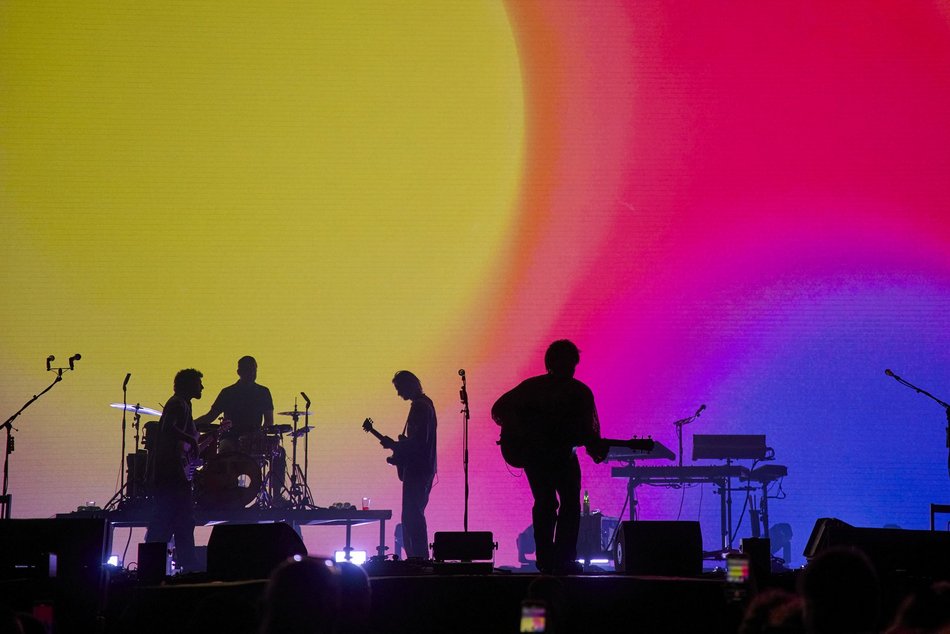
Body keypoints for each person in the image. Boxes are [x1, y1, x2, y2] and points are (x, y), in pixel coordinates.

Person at [492, 340, 605, 574]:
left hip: (539, 458)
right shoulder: (579, 392)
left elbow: (500, 409)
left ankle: (546, 559)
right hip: (559, 458)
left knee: (547, 503)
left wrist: (525, 434)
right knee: (567, 504)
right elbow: (589, 433)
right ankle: (562, 559)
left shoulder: (533, 387)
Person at [195, 356, 283, 500]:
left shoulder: (263, 392)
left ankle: (277, 497)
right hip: (229, 437)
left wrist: (259, 435)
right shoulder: (227, 392)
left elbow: (269, 422)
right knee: (225, 451)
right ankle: (222, 492)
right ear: (239, 372)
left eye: (254, 369)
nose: (252, 372)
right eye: (249, 369)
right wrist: (190, 424)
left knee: (279, 452)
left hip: (254, 438)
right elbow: (210, 416)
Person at [144, 368, 204, 573]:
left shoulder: (182, 404)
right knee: (179, 520)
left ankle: (155, 566)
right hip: (171, 474)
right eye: (198, 383)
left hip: (171, 473)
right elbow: (168, 428)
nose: (202, 387)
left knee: (174, 520)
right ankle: (187, 566)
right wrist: (191, 441)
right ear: (188, 385)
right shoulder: (178, 403)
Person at [381, 371, 437, 559]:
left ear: (408, 385)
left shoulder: (420, 407)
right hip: (422, 468)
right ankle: (418, 557)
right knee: (414, 514)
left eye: (399, 388)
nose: (398, 393)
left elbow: (418, 442)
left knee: (412, 516)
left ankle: (418, 558)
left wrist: (395, 446)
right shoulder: (425, 403)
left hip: (417, 469)